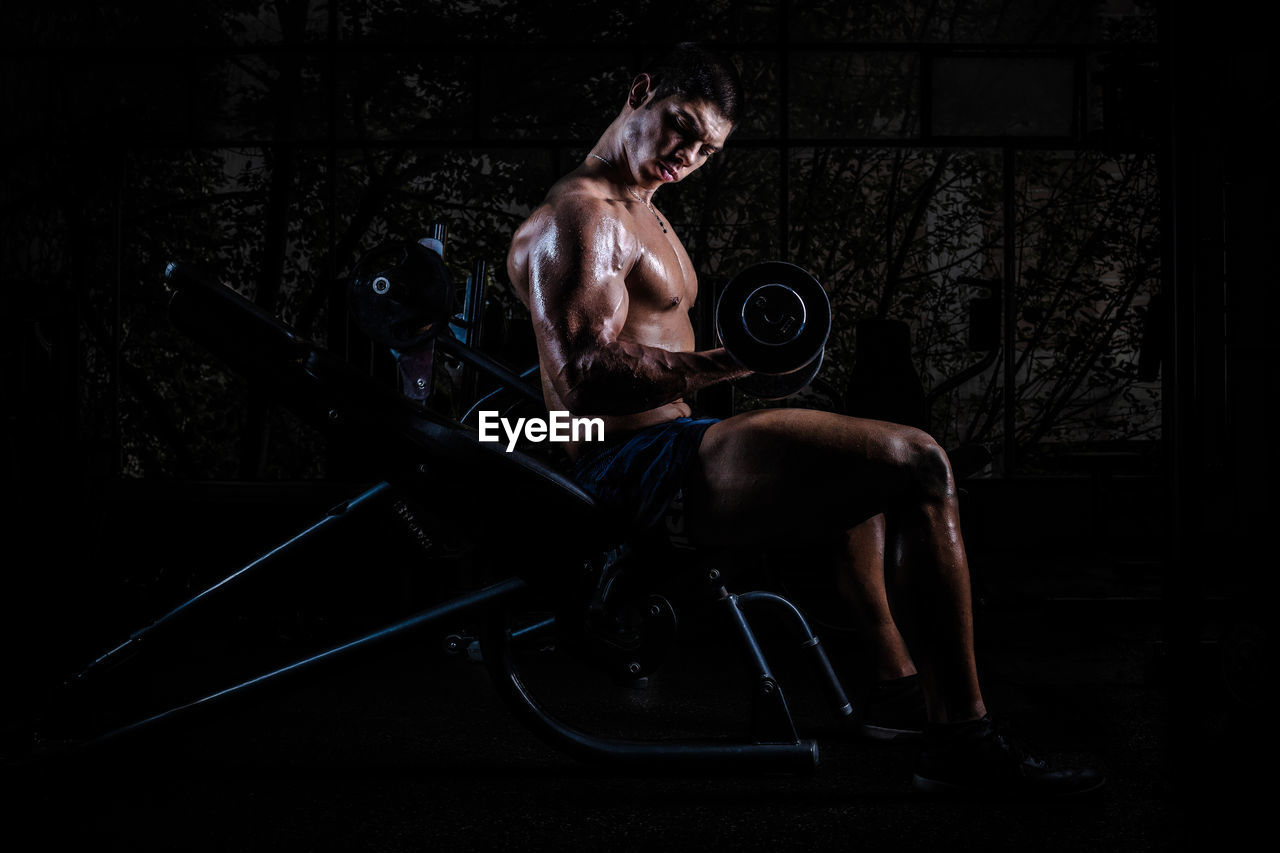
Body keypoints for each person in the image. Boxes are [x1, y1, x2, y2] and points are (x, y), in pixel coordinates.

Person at [505, 43, 1102, 797]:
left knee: (863, 472)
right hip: (629, 461)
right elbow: (584, 379)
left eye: (705, 149)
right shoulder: (580, 214)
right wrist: (734, 361)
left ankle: (894, 689)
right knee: (921, 463)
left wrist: (731, 363)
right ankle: (963, 738)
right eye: (680, 129)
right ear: (640, 92)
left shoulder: (643, 213)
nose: (686, 155)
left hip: (673, 442)